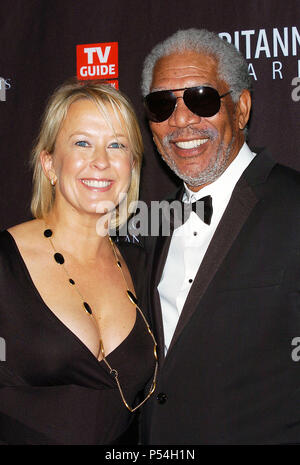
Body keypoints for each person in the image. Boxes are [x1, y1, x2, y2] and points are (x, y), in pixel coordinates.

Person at [140, 29, 300, 444]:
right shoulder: (148, 227)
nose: (180, 120)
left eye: (201, 98)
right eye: (162, 105)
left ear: (241, 108)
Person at [0, 79, 157, 445]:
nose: (100, 161)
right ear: (50, 163)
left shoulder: (144, 266)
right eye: (82, 143)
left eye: (117, 145)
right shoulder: (6, 264)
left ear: (132, 167)